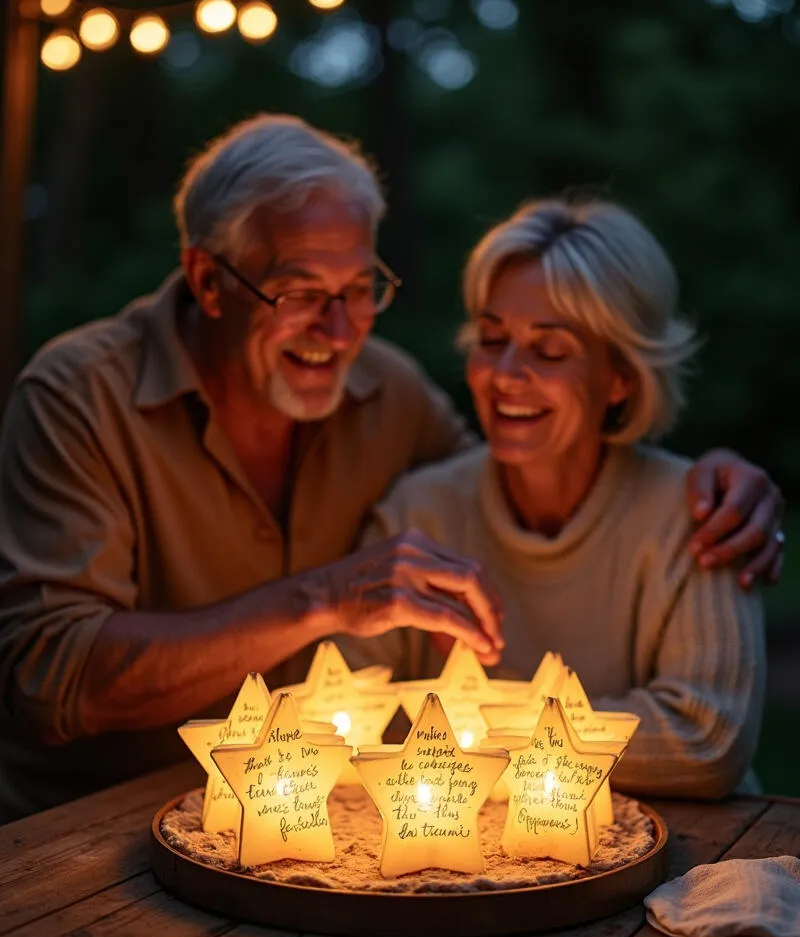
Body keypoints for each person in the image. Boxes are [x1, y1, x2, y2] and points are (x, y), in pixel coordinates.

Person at [0, 114, 782, 823]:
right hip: (78, 826)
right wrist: (321, 600)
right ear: (209, 281)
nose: (340, 331)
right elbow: (46, 678)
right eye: (301, 292)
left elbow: (512, 475)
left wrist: (713, 472)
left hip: (295, 809)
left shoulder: (392, 396)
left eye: (361, 289)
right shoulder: (77, 396)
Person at [338, 197, 770, 800]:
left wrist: (469, 731)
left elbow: (703, 742)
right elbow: (338, 712)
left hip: (696, 866)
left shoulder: (699, 516)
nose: (507, 373)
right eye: (492, 339)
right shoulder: (421, 513)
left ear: (622, 375)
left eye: (550, 351)